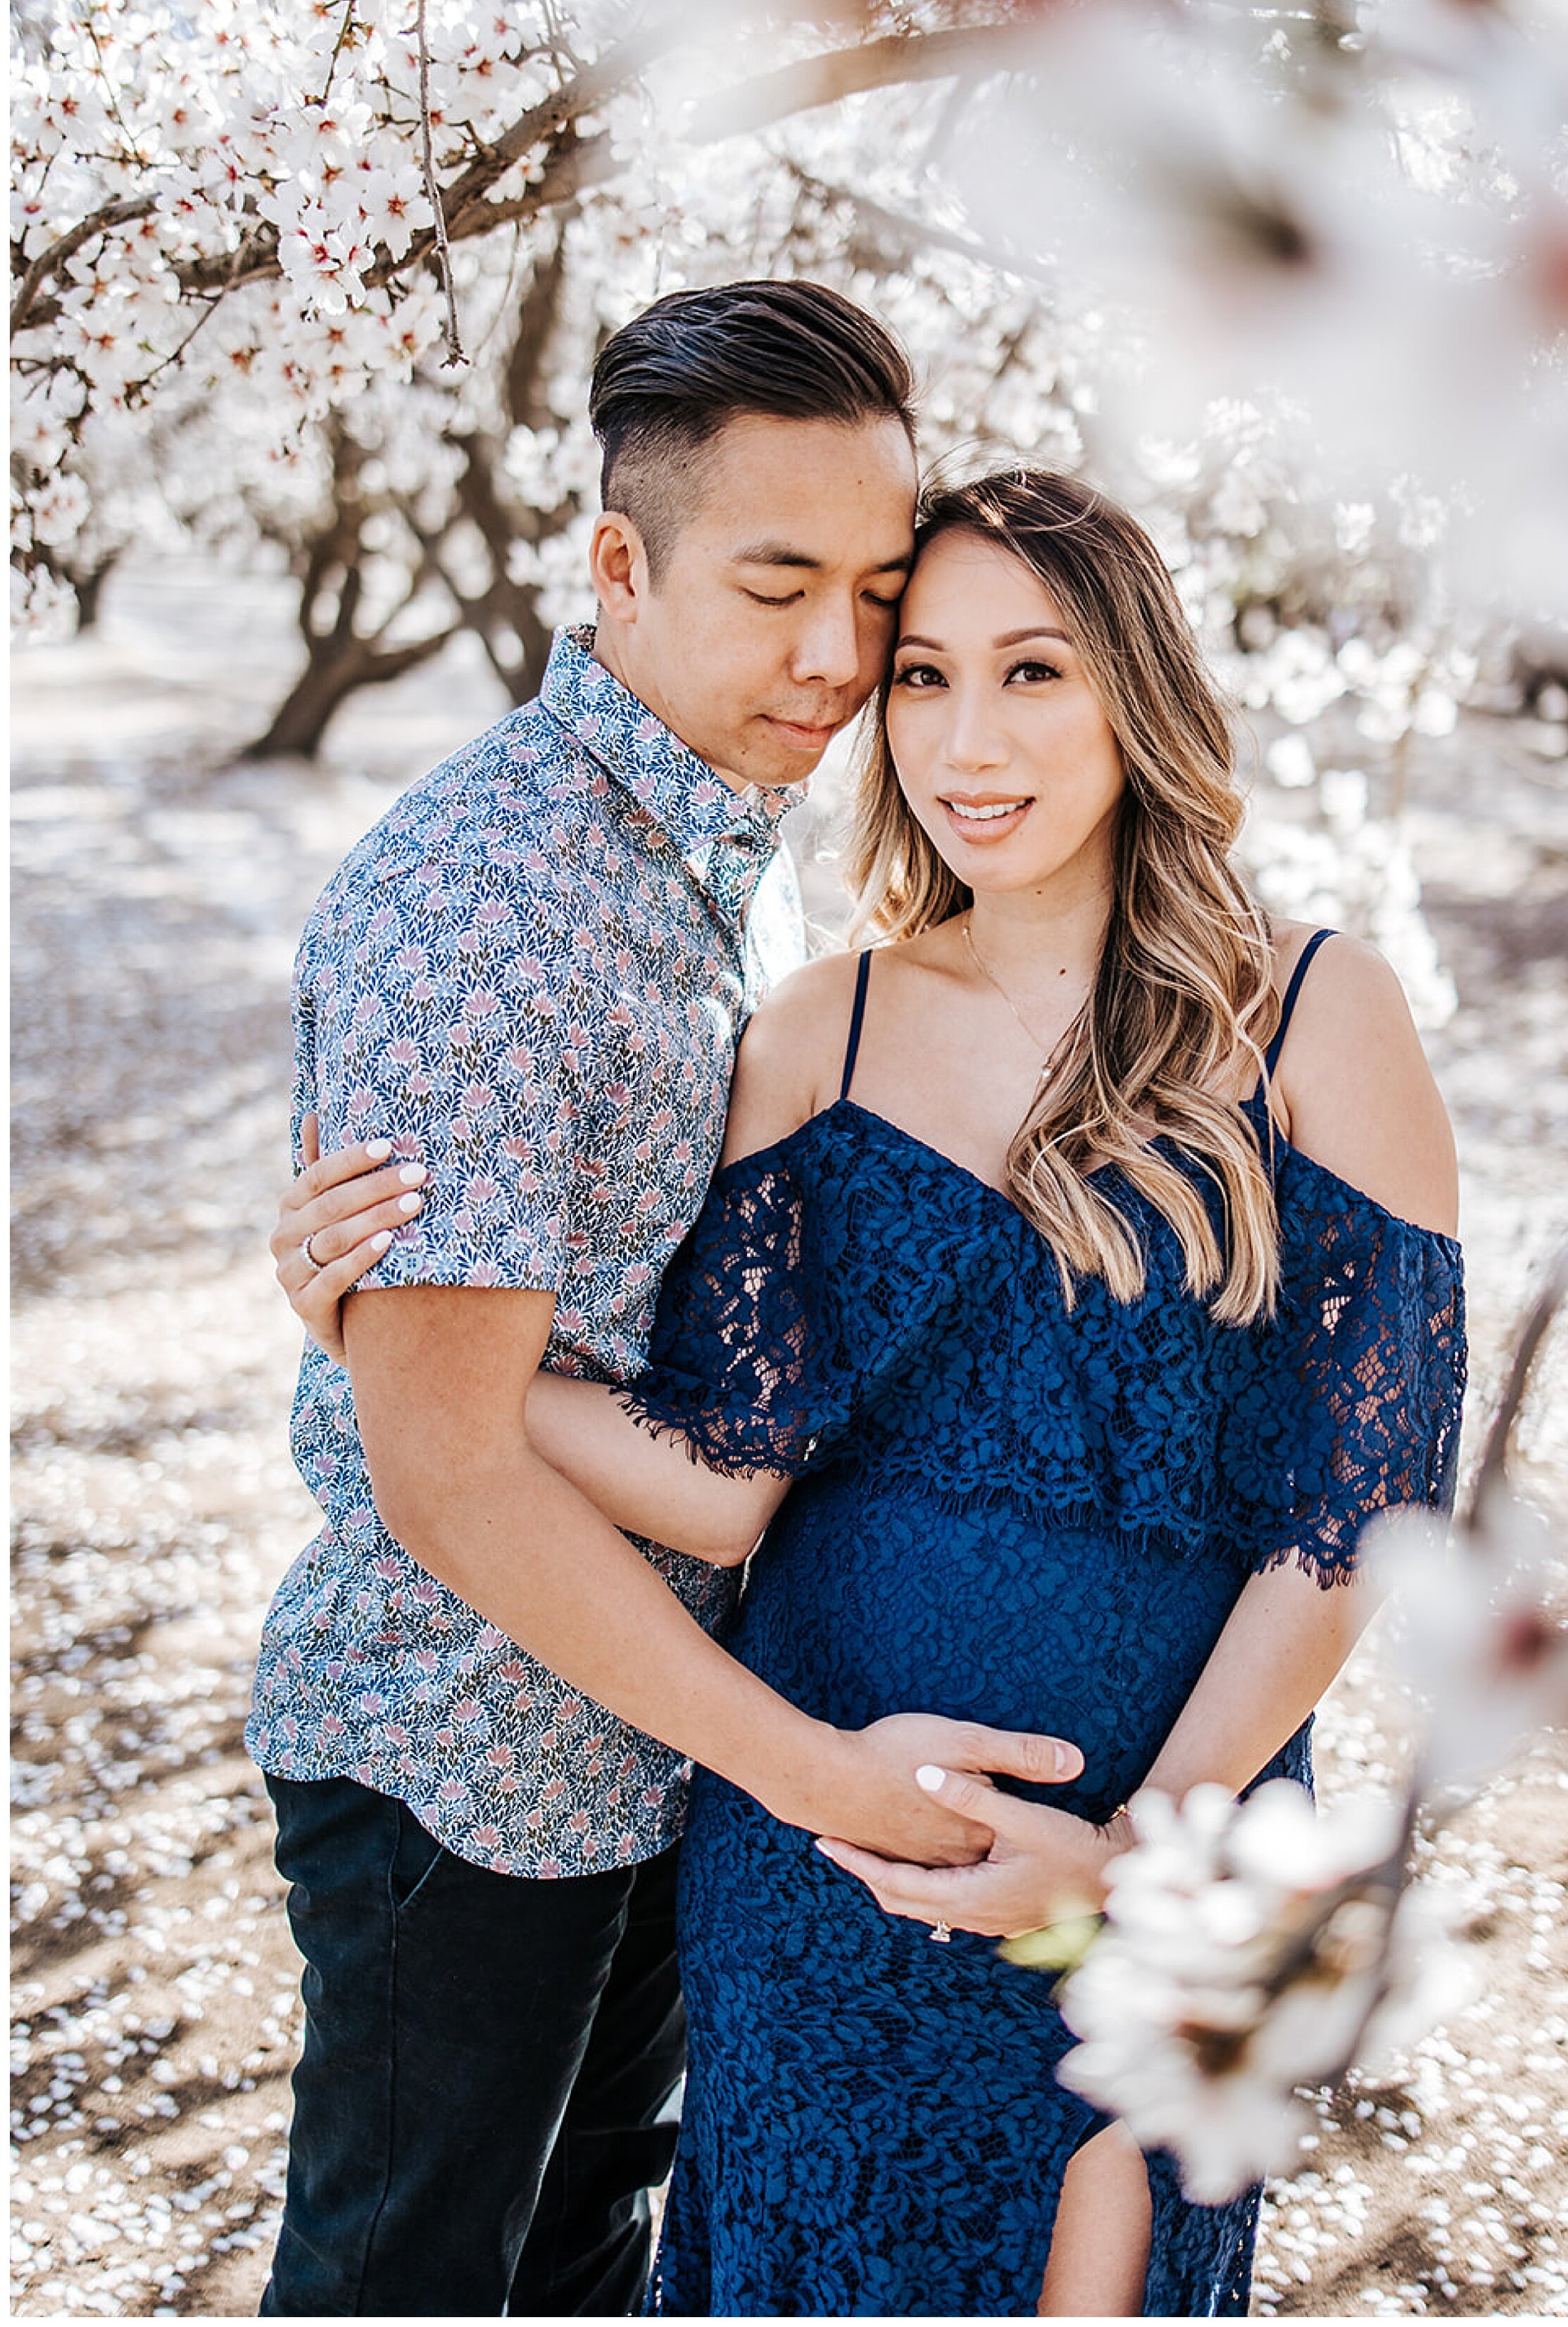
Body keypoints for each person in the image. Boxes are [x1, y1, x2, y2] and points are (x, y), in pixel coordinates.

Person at [280, 465, 1467, 2316]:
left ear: (1134, 692)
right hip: (814, 1841)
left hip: (1151, 1847)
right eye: (919, 678)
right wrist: (399, 1327)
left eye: (1032, 675)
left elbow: (1360, 1514)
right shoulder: (816, 1025)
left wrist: (1129, 1859)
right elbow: (722, 1478)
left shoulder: (1316, 1012)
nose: (964, 741)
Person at [244, 286, 1084, 2319]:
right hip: (468, 1750)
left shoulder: (737, 853)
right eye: (776, 581)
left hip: (646, 1730)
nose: (835, 654)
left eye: (875, 590)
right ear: (616, 566)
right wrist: (813, 1772)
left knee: (581, 2262)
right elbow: (443, 1473)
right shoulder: (498, 904)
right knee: (404, 2283)